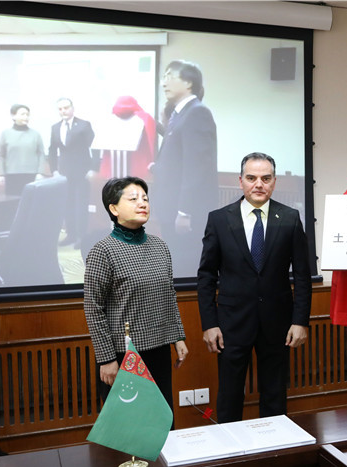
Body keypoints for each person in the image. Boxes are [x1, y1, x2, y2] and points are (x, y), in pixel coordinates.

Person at [197, 152, 311, 423]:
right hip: (231, 323)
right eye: (251, 178)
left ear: (274, 181)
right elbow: (206, 276)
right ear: (240, 181)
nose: (259, 184)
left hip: (278, 322)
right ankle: (229, 445)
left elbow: (303, 276)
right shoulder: (219, 219)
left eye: (265, 178)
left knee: (275, 393)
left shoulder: (290, 217)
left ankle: (274, 445)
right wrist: (209, 324)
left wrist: (300, 321)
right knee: (229, 394)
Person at [83, 177, 188, 413]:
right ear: (114, 209)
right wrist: (106, 359)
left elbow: (168, 296)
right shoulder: (103, 251)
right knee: (130, 429)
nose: (142, 203)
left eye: (145, 199)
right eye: (133, 199)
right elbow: (93, 309)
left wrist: (178, 337)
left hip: (159, 349)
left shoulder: (160, 246)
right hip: (124, 354)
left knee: (161, 423)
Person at [151, 60, 218, 276]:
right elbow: (180, 159)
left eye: (170, 77)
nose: (164, 83)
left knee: (185, 269)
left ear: (188, 83)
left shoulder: (197, 113)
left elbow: (197, 167)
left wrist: (184, 211)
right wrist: (158, 167)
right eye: (164, 77)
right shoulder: (180, 114)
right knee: (176, 264)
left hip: (184, 212)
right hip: (172, 207)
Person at [48, 97, 97, 249]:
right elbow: (52, 150)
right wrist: (54, 170)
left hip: (82, 172)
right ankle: (71, 235)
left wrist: (93, 168)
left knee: (80, 205)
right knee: (67, 204)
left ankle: (81, 237)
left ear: (72, 109)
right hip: (64, 173)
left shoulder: (84, 125)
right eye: (60, 109)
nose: (63, 111)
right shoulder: (55, 127)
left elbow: (94, 147)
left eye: (66, 108)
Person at [0, 104, 48, 196]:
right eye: (22, 114)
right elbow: (0, 155)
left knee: (32, 201)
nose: (26, 117)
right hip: (11, 175)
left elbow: (41, 155)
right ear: (13, 116)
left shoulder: (35, 134)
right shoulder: (5, 134)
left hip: (32, 175)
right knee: (12, 201)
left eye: (27, 114)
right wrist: (0, 174)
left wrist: (40, 172)